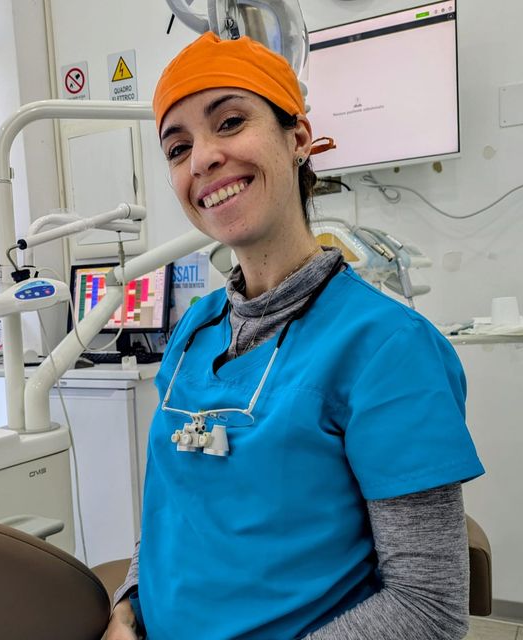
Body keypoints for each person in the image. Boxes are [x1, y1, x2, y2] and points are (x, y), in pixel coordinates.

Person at [104, 31, 484, 640]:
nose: (201, 159)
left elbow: (427, 608)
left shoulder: (388, 347)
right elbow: (170, 513)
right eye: (178, 148)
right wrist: (128, 604)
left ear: (299, 138)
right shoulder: (195, 330)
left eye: (230, 122)